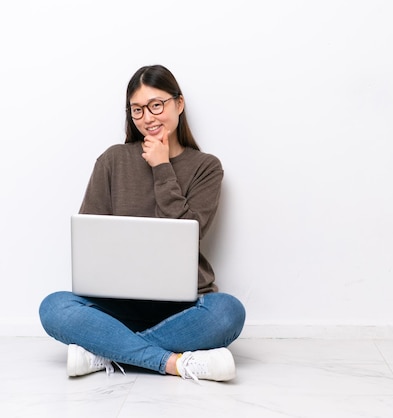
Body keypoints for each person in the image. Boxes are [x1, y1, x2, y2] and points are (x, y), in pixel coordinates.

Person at [39, 65, 245, 382]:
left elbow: (189, 232)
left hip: (182, 308)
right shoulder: (112, 160)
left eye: (156, 106)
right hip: (116, 307)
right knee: (53, 307)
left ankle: (104, 351)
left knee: (229, 312)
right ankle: (174, 362)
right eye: (137, 110)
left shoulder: (206, 167)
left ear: (179, 103)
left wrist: (162, 166)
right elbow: (90, 240)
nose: (147, 118)